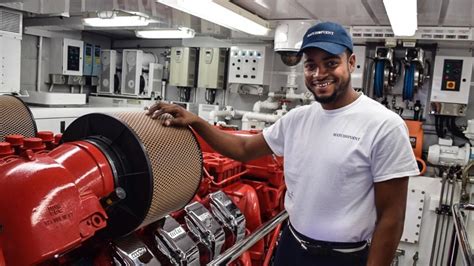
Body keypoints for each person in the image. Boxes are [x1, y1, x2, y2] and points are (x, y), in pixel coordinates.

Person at [146, 21, 419, 266]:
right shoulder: (298, 119)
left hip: (344, 257)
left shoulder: (383, 125)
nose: (319, 73)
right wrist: (196, 122)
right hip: (292, 247)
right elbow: (243, 149)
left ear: (351, 63)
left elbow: (391, 217)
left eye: (331, 62)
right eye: (311, 65)